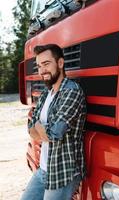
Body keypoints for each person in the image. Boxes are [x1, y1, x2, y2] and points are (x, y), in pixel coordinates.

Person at [21, 44, 87, 200]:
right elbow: (31, 127)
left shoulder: (71, 91)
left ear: (60, 63)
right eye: (38, 66)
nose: (42, 70)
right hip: (44, 169)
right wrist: (39, 128)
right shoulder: (46, 93)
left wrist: (40, 128)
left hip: (62, 173)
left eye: (46, 64)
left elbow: (55, 133)